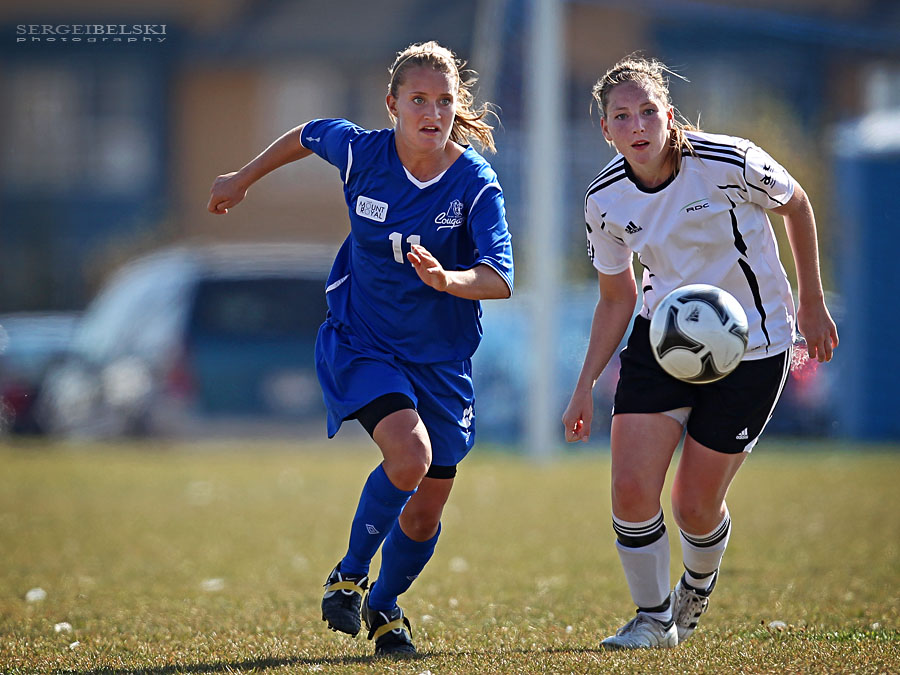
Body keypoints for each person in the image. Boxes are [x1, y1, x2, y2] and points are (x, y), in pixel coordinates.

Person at [207, 41, 513, 657]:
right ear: (392, 104)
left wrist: (446, 281)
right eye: (418, 99)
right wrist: (242, 179)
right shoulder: (362, 153)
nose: (432, 111)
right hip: (364, 341)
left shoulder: (474, 181)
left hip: (442, 360)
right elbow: (306, 134)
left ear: (458, 107)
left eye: (445, 100)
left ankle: (384, 607)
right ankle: (348, 575)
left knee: (424, 513)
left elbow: (500, 277)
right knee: (410, 455)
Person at [562, 54, 838, 650]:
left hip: (755, 349)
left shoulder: (728, 160)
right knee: (632, 488)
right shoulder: (604, 199)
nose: (637, 126)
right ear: (606, 129)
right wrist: (584, 384)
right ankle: (653, 620)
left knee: (693, 506)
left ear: (667, 114)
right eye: (621, 117)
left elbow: (796, 204)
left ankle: (698, 582)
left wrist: (811, 303)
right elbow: (616, 296)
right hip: (661, 340)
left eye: (646, 112)